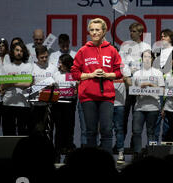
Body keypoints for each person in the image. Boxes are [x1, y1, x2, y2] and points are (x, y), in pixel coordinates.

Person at [71, 18, 123, 154]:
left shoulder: (111, 50)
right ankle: (91, 163)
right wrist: (91, 74)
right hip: (88, 96)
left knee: (106, 129)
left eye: (97, 30)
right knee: (91, 131)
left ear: (104, 31)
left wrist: (106, 75)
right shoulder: (83, 50)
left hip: (107, 96)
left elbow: (119, 73)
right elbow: (75, 73)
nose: (94, 33)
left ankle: (107, 164)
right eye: (92, 30)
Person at [119, 23, 151, 149]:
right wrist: (127, 75)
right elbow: (121, 63)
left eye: (133, 31)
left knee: (137, 115)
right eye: (130, 31)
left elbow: (148, 64)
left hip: (140, 84)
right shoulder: (125, 45)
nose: (131, 33)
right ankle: (120, 144)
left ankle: (134, 144)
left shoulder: (146, 46)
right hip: (127, 84)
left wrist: (137, 75)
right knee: (123, 116)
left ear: (140, 33)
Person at [131, 50, 164, 156]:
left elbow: (163, 90)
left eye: (149, 57)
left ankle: (151, 154)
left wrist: (150, 84)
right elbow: (132, 90)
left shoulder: (158, 73)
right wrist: (139, 88)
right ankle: (137, 153)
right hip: (139, 107)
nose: (147, 59)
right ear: (142, 59)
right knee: (136, 131)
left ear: (153, 59)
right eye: (144, 57)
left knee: (151, 132)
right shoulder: (136, 73)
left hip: (153, 107)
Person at [0, 41, 33, 135]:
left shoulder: (29, 66)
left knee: (23, 132)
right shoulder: (5, 67)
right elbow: (2, 85)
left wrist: (12, 82)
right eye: (17, 50)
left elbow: (28, 83)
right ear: (13, 52)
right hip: (8, 103)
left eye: (21, 51)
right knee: (8, 132)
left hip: (24, 104)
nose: (19, 53)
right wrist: (18, 82)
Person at [52, 54, 78, 160]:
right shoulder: (56, 74)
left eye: (61, 63)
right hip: (58, 104)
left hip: (69, 104)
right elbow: (52, 86)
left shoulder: (72, 74)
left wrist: (76, 88)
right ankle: (57, 152)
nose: (59, 65)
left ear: (67, 64)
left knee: (69, 128)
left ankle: (69, 153)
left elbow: (76, 88)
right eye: (59, 62)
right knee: (58, 128)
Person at [31, 45, 57, 134]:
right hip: (35, 103)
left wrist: (53, 84)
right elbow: (29, 86)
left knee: (48, 130)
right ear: (37, 57)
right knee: (35, 130)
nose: (45, 59)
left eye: (46, 57)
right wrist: (42, 86)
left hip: (49, 104)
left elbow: (57, 83)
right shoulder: (32, 67)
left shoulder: (52, 67)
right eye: (42, 57)